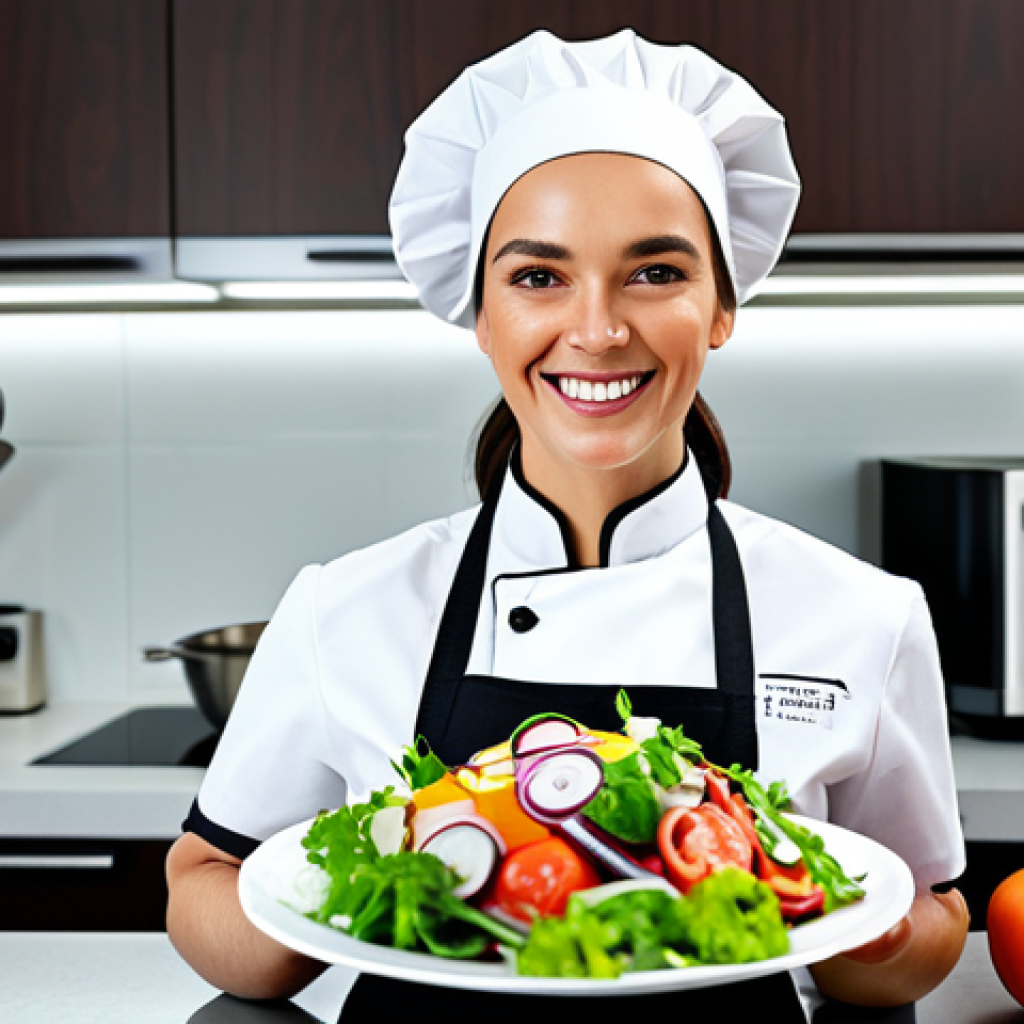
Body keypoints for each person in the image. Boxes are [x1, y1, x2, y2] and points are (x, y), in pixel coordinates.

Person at [166, 29, 968, 1021]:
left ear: (722, 306)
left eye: (655, 272)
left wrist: (858, 923)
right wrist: (336, 896)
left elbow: (928, 915)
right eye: (539, 277)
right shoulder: (345, 608)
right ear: (481, 313)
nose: (597, 330)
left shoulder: (864, 617)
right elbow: (205, 876)